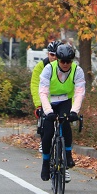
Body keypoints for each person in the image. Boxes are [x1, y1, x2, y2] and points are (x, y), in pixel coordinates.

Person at [38, 43, 85, 183]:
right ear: (58, 59)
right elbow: (43, 92)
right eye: (63, 61)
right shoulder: (48, 69)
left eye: (69, 61)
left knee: (65, 124)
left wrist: (74, 111)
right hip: (49, 101)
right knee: (47, 133)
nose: (65, 64)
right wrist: (48, 111)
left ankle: (68, 154)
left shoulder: (77, 70)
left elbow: (79, 92)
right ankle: (46, 163)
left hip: (65, 100)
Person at [31, 40, 61, 152]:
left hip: (60, 97)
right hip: (45, 97)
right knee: (44, 118)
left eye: (56, 55)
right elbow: (35, 85)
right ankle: (43, 139)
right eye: (51, 55)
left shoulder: (64, 65)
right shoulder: (41, 66)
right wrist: (38, 104)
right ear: (48, 54)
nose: (54, 57)